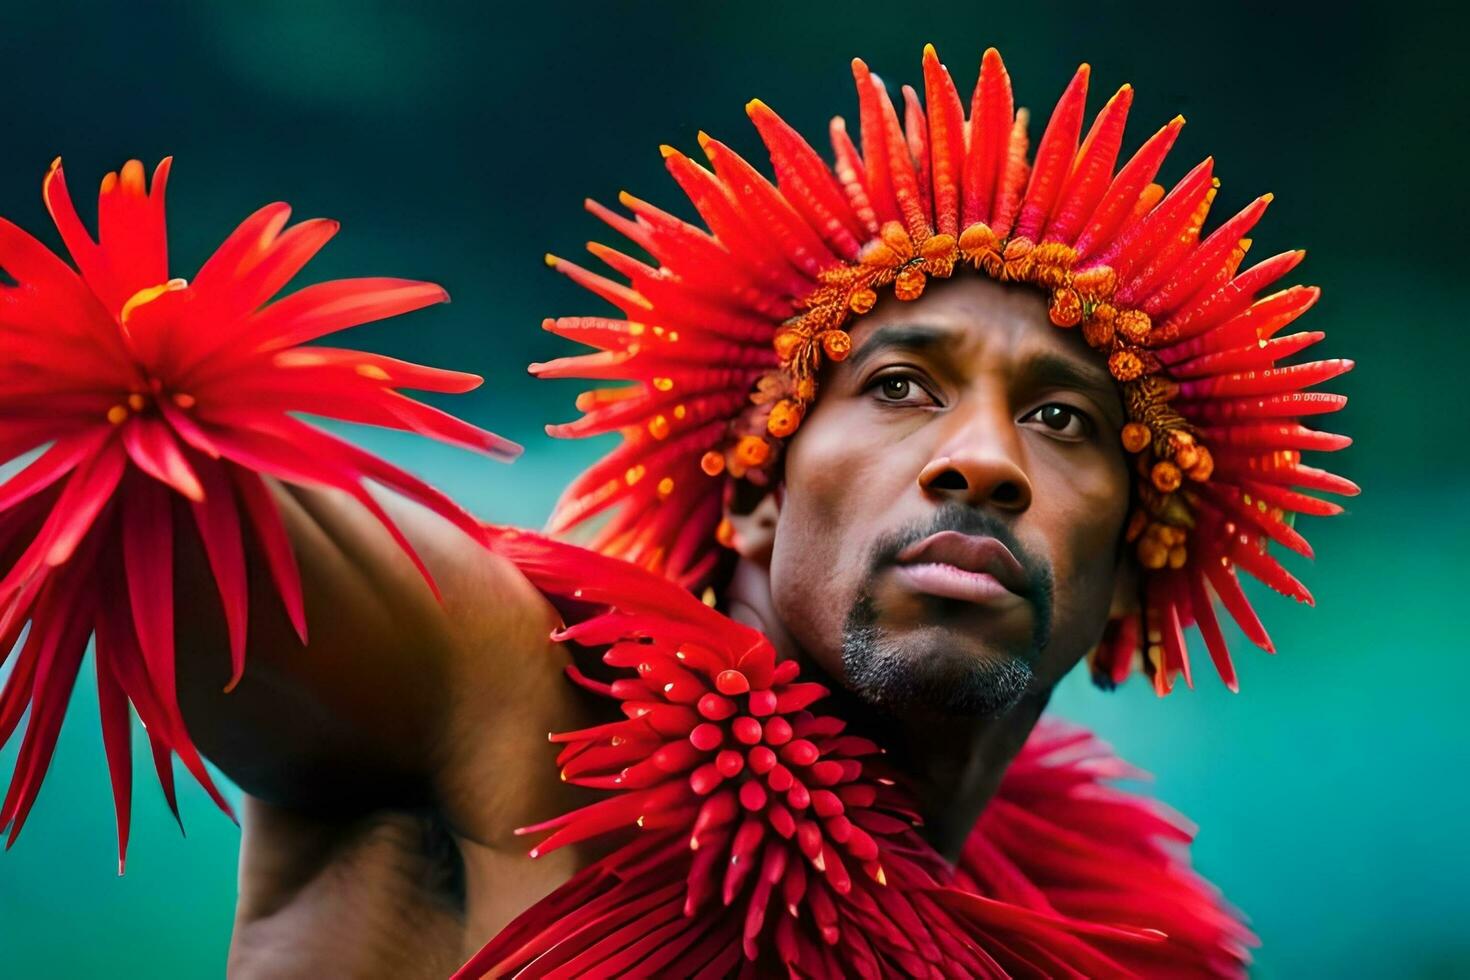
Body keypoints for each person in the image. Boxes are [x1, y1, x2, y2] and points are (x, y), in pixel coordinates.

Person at [0, 43, 1353, 978]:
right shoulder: (514, 702)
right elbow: (181, 508)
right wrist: (130, 392)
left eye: (1064, 419)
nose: (982, 459)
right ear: (755, 496)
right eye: (896, 385)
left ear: (1131, 571)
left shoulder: (1120, 942)